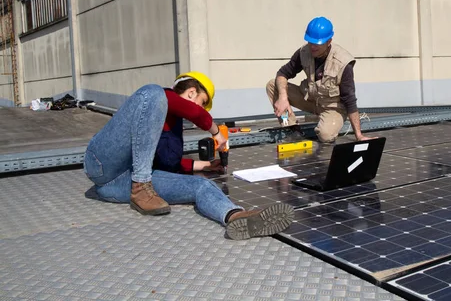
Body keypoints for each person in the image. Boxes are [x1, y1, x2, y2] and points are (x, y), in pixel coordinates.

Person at [83, 71, 294, 240]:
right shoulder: (162, 99)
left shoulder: (173, 131)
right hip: (102, 164)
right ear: (191, 92)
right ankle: (141, 186)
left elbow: (165, 165)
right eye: (202, 102)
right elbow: (194, 113)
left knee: (200, 186)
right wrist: (216, 132)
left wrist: (204, 166)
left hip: (118, 187)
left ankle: (235, 216)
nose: (200, 108)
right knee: (152, 92)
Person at [266, 17, 374, 143]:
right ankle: (291, 128)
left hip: (332, 107)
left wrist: (359, 135)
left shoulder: (343, 63)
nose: (312, 47)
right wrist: (283, 97)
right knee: (273, 86)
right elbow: (283, 73)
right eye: (310, 42)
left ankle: (330, 123)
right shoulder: (304, 52)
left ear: (329, 42)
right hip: (310, 100)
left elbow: (350, 100)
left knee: (325, 136)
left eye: (317, 44)